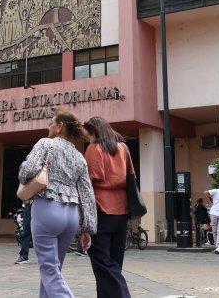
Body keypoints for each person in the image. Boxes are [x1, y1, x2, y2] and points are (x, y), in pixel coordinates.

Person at [18, 108, 97, 298]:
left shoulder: (46, 144)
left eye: (51, 123)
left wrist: (23, 166)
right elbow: (87, 194)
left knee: (50, 271)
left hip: (47, 209)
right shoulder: (79, 156)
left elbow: (27, 172)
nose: (49, 127)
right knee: (54, 271)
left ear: (60, 126)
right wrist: (87, 228)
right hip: (71, 216)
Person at [83, 116, 134, 297]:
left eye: (88, 135)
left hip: (101, 209)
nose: (88, 139)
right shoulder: (123, 148)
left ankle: (123, 294)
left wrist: (84, 219)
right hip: (122, 210)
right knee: (114, 262)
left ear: (94, 132)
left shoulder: (94, 148)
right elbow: (131, 177)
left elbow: (88, 183)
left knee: (102, 262)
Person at [15, 199, 34, 264]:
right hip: (29, 205)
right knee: (26, 232)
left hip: (43, 205)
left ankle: (47, 257)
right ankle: (23, 256)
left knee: (45, 232)